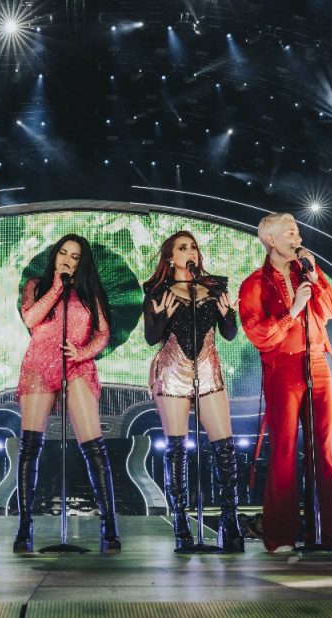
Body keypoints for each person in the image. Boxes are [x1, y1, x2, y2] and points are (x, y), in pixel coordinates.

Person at [238, 212, 332, 553]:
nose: (297, 238)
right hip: (283, 368)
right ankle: (280, 536)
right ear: (270, 240)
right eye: (290, 232)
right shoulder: (254, 284)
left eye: (297, 231)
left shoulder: (307, 272)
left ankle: (327, 535)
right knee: (284, 451)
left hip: (317, 363)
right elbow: (259, 335)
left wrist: (316, 279)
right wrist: (293, 310)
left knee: (322, 452)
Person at [14, 234, 120, 553]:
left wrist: (83, 353)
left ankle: (109, 527)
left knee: (94, 446)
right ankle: (24, 526)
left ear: (81, 262)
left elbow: (103, 333)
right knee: (30, 445)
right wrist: (57, 288)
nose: (68, 260)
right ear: (55, 255)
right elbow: (30, 318)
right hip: (39, 363)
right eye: (64, 253)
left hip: (77, 365)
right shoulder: (36, 285)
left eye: (75, 256)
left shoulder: (89, 292)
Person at [143, 230, 244, 552]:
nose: (191, 252)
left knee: (225, 448)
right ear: (170, 257)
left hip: (207, 369)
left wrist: (229, 316)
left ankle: (230, 522)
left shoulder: (215, 287)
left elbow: (229, 334)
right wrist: (163, 317)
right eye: (183, 248)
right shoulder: (157, 291)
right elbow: (151, 337)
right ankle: (181, 524)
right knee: (177, 449)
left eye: (194, 248)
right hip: (173, 370)